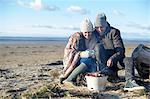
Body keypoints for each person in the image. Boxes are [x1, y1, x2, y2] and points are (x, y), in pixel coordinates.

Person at [60, 18, 98, 84]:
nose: (87, 34)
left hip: (85, 61)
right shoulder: (76, 38)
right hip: (74, 61)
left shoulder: (94, 38)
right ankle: (69, 79)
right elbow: (70, 52)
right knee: (88, 61)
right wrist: (82, 54)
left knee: (91, 62)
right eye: (85, 32)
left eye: (89, 32)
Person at [93, 13, 125, 82]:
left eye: (101, 27)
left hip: (115, 61)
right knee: (98, 47)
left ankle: (130, 81)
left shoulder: (114, 32)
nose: (99, 29)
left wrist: (112, 58)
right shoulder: (93, 33)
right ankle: (105, 74)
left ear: (106, 25)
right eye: (97, 27)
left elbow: (120, 50)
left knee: (128, 60)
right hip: (101, 62)